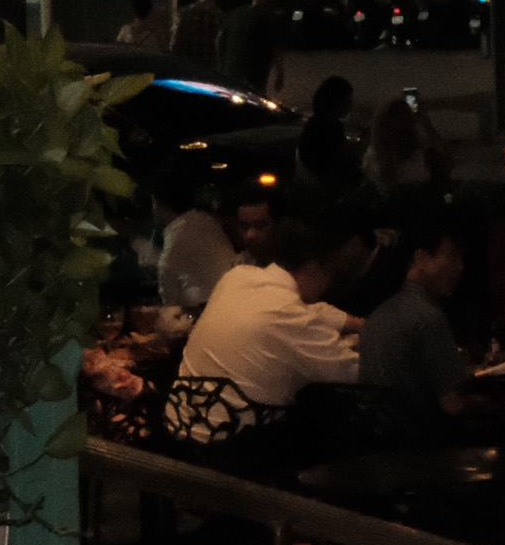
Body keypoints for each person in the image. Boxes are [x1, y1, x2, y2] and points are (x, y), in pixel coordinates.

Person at [174, 218, 361, 439]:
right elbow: (354, 374)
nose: (331, 283)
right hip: (231, 446)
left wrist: (358, 324)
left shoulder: (237, 277)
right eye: (334, 273)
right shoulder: (289, 315)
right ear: (315, 266)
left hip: (179, 426)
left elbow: (303, 311)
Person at [358, 221, 485, 437]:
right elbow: (453, 405)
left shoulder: (378, 315)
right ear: (421, 259)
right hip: (419, 444)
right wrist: (492, 404)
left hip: (376, 440)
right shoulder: (428, 317)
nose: (460, 266)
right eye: (452, 256)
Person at [153, 164, 238, 309]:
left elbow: (169, 299)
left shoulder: (178, 234)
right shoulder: (206, 221)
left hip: (208, 313)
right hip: (230, 304)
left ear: (159, 203)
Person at [363, 92, 453, 188]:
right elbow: (448, 163)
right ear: (411, 127)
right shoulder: (423, 159)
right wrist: (428, 126)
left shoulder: (372, 159)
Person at [217, 0, 285, 94]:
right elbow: (275, 49)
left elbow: (220, 39)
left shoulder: (236, 14)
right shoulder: (266, 20)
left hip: (231, 71)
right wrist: (280, 73)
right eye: (271, 2)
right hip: (254, 74)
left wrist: (222, 63)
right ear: (266, 2)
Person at [297, 76, 359, 187]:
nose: (351, 104)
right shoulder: (325, 129)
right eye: (347, 100)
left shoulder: (324, 124)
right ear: (335, 101)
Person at [172, 0, 224, 64]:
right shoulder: (217, 14)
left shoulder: (185, 12)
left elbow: (176, 43)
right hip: (209, 65)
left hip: (186, 64)